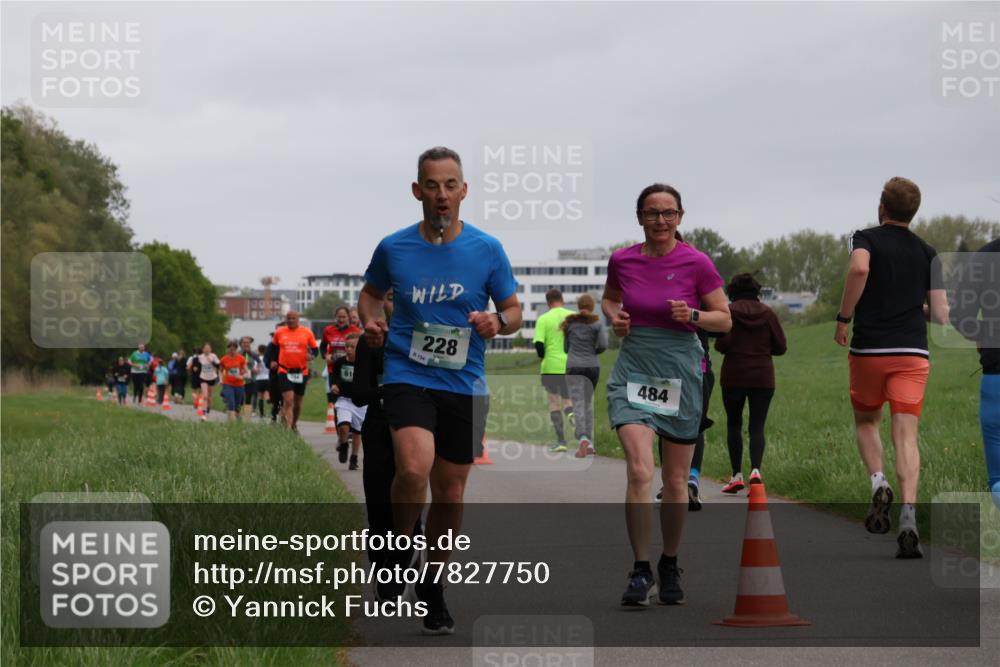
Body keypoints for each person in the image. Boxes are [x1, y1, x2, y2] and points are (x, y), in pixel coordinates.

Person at [358, 146, 521, 634]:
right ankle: (396, 549)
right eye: (432, 185)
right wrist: (371, 322)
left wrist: (498, 321)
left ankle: (433, 583)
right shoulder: (394, 248)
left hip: (465, 383)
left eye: (451, 185)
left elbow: (513, 311)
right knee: (412, 467)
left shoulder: (487, 249)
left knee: (449, 493)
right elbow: (369, 294)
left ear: (464, 191)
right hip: (408, 374)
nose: (442, 195)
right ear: (418, 192)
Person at [603, 183, 730, 607]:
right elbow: (609, 300)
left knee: (675, 480)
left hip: (680, 371)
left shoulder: (697, 262)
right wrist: (616, 319)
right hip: (634, 367)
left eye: (669, 213)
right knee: (640, 470)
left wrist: (693, 314)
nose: (660, 220)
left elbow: (724, 321)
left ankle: (669, 562)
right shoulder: (622, 260)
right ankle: (641, 570)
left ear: (680, 217)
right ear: (639, 217)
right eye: (652, 213)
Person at [834, 176, 948, 559]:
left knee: (867, 422)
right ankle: (909, 518)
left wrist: (843, 317)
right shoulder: (928, 251)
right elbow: (942, 315)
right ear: (913, 212)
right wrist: (917, 308)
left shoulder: (864, 237)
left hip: (870, 351)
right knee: (907, 435)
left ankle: (878, 481)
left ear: (882, 206)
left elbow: (859, 270)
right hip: (913, 353)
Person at [715, 273, 787, 493]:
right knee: (757, 426)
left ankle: (736, 475)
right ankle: (756, 471)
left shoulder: (729, 313)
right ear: (757, 291)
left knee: (734, 425)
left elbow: (721, 345)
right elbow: (781, 347)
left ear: (732, 292)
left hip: (734, 375)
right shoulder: (768, 314)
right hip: (762, 377)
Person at [949, 238, 1000, 508]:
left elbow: (959, 314)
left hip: (996, 373)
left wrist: (981, 333)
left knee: (999, 478)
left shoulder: (985, 257)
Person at [561, 293, 607, 457]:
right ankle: (590, 443)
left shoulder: (569, 324)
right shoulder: (597, 323)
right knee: (588, 403)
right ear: (592, 306)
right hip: (592, 367)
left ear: (578, 306)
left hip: (574, 367)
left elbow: (566, 348)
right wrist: (592, 352)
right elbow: (603, 345)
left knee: (578, 403)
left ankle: (583, 439)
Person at [534, 288, 575, 452]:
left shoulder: (543, 319)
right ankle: (574, 419)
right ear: (562, 300)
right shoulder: (572, 317)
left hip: (551, 366)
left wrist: (544, 356)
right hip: (570, 365)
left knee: (553, 402)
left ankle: (562, 442)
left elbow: (539, 345)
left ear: (548, 302)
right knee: (568, 401)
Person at [272, 311, 319, 432]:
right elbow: (273, 347)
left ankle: (293, 424)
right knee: (288, 400)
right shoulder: (280, 332)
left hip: (301, 372)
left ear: (298, 319)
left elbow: (315, 350)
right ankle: (288, 429)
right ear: (285, 319)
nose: (291, 320)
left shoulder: (306, 332)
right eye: (289, 318)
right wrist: (273, 360)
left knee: (297, 404)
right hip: (284, 370)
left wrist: (311, 356)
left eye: (294, 318)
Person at [331, 333, 366, 470]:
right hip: (344, 399)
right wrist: (334, 385)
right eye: (347, 346)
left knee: (358, 432)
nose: (349, 349)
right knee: (343, 426)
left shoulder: (364, 363)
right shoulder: (339, 362)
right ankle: (344, 444)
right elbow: (334, 378)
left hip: (361, 401)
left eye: (353, 347)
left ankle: (354, 458)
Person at [219, 340, 249, 422]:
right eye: (230, 349)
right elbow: (220, 371)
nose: (232, 351)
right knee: (231, 403)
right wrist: (221, 380)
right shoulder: (224, 359)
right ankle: (231, 423)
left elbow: (247, 372)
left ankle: (237, 418)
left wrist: (241, 376)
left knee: (237, 405)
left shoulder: (241, 358)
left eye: (234, 349)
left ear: (236, 349)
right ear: (227, 349)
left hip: (239, 385)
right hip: (228, 384)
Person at [195, 343, 221, 421]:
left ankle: (208, 410)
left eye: (208, 348)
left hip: (212, 378)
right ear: (203, 350)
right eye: (205, 348)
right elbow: (197, 365)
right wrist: (195, 368)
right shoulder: (200, 357)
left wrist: (212, 362)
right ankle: (204, 414)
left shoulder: (214, 356)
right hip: (203, 378)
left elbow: (219, 366)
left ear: (210, 349)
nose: (207, 349)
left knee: (209, 397)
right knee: (205, 396)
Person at [239, 336, 259, 418]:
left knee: (248, 397)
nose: (246, 344)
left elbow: (260, 363)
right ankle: (238, 415)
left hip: (251, 378)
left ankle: (247, 417)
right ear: (241, 344)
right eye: (244, 342)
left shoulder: (254, 353)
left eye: (247, 342)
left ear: (250, 344)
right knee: (240, 397)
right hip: (240, 378)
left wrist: (257, 368)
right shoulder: (238, 353)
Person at [254, 343, 271, 419]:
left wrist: (257, 370)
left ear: (259, 350)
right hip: (268, 378)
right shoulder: (268, 358)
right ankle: (268, 400)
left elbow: (255, 369)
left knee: (260, 396)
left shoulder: (257, 359)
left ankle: (262, 413)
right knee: (267, 393)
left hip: (259, 379)